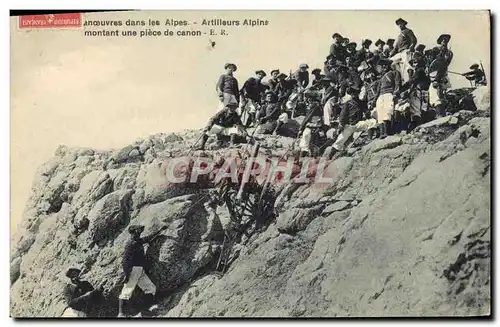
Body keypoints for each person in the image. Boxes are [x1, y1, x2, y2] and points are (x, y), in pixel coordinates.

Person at [118, 224, 169, 317]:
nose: (139, 232)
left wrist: (160, 230)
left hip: (139, 269)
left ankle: (147, 308)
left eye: (139, 230)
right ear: (133, 233)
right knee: (127, 291)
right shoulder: (132, 243)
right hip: (133, 270)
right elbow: (126, 261)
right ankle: (121, 313)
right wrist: (127, 273)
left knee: (150, 288)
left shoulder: (137, 241)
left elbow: (147, 239)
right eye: (137, 231)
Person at [323, 85, 377, 159]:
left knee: (373, 122)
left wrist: (368, 113)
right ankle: (329, 157)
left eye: (356, 93)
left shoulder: (361, 103)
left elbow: (366, 111)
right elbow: (342, 115)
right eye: (353, 94)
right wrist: (341, 125)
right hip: (349, 126)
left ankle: (370, 139)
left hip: (358, 124)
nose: (354, 95)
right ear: (351, 94)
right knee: (339, 141)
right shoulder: (347, 103)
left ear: (358, 94)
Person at [401, 56, 430, 131]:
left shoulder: (419, 70)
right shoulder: (423, 70)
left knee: (416, 110)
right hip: (424, 91)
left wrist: (402, 88)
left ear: (419, 63)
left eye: (415, 62)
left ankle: (417, 126)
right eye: (413, 63)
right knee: (423, 109)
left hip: (418, 91)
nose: (414, 64)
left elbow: (412, 80)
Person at [375, 58, 401, 138]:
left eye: (384, 65)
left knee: (387, 112)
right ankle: (382, 132)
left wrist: (396, 92)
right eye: (381, 66)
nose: (383, 67)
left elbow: (397, 83)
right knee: (380, 113)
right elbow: (378, 90)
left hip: (389, 94)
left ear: (386, 66)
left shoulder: (394, 73)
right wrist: (375, 99)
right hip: (381, 96)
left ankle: (388, 131)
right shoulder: (381, 78)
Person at [390, 18, 417, 83]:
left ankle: (411, 79)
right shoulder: (399, 35)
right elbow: (396, 48)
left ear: (404, 24)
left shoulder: (408, 31)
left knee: (408, 64)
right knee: (391, 62)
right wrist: (390, 55)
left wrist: (411, 47)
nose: (399, 25)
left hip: (406, 51)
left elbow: (414, 40)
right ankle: (399, 77)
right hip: (400, 53)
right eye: (398, 24)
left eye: (400, 23)